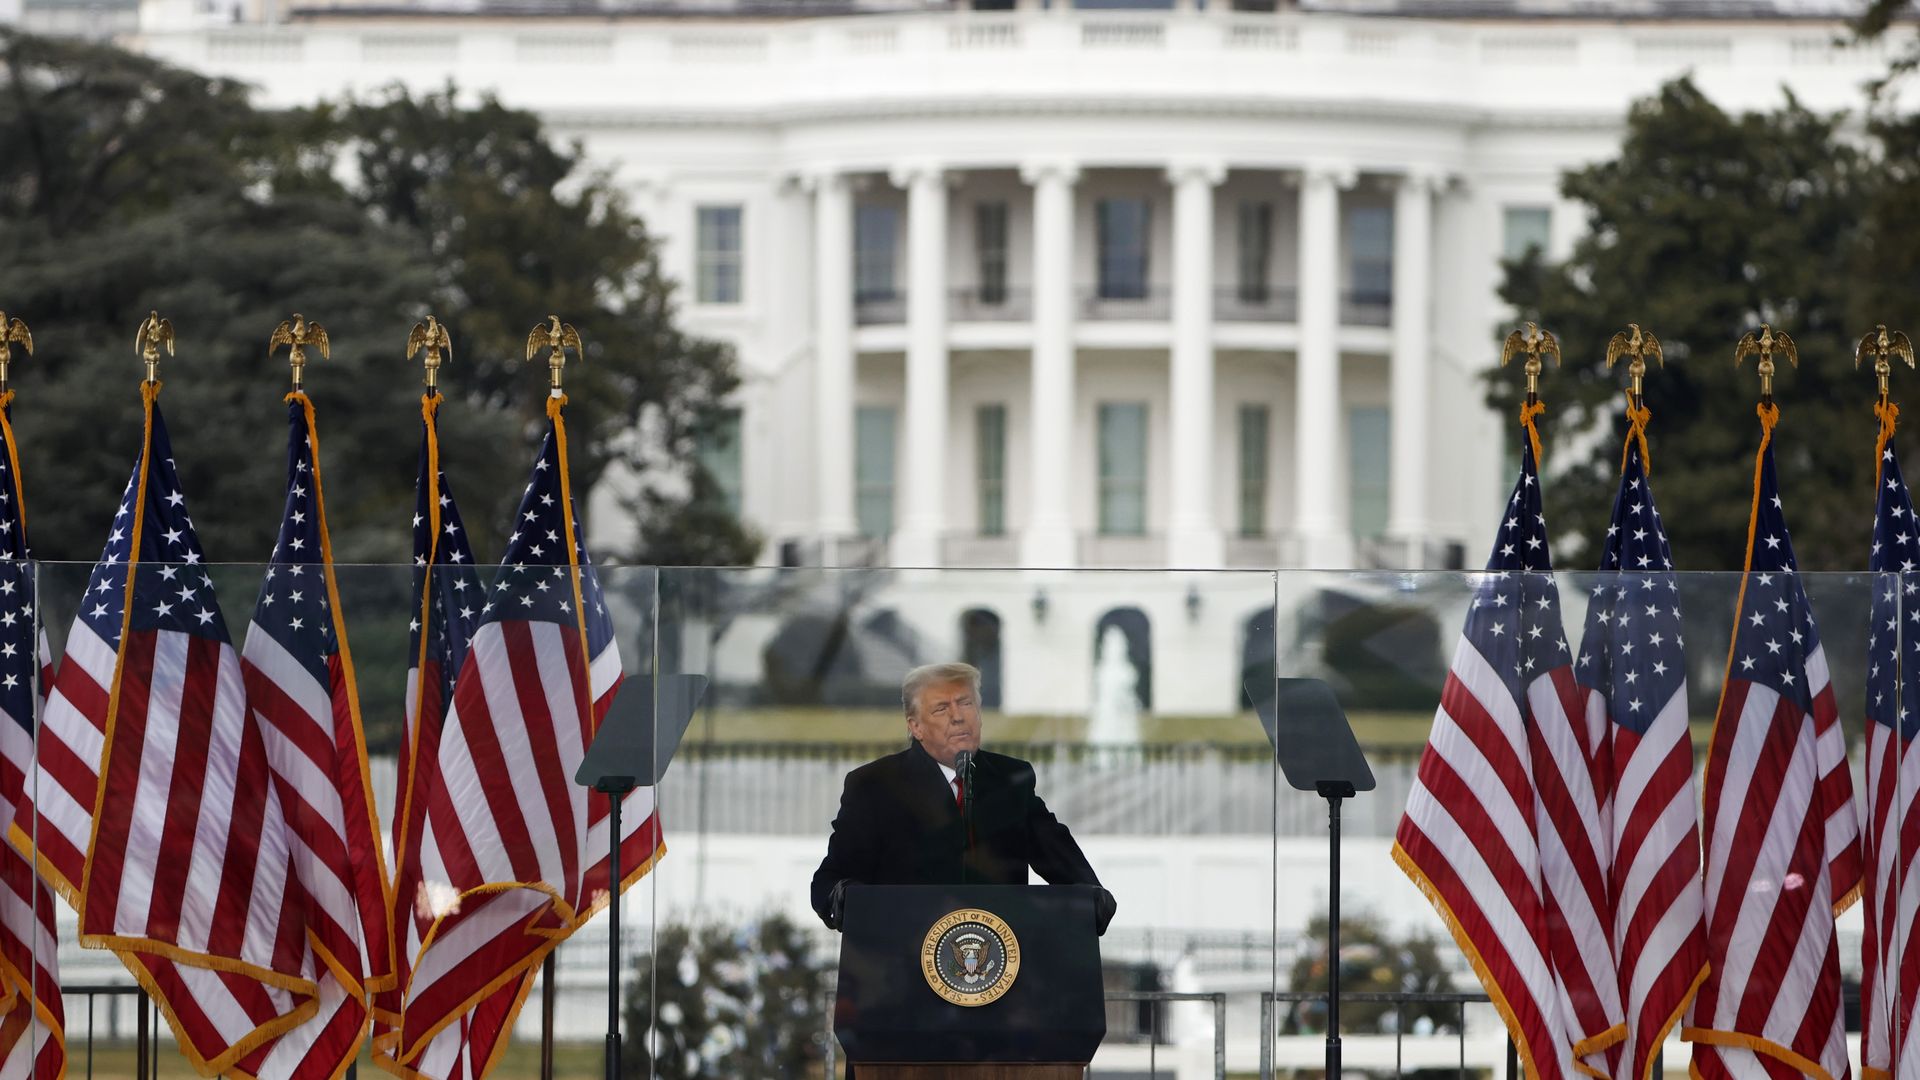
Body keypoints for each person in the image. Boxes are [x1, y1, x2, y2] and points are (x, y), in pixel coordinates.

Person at [810, 661, 1117, 934]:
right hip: (904, 969)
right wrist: (846, 898)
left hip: (1000, 971)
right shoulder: (875, 785)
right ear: (915, 726)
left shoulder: (1011, 780)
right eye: (942, 708)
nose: (958, 717)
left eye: (966, 703)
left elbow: (1062, 861)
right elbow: (829, 882)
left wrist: (1090, 895)